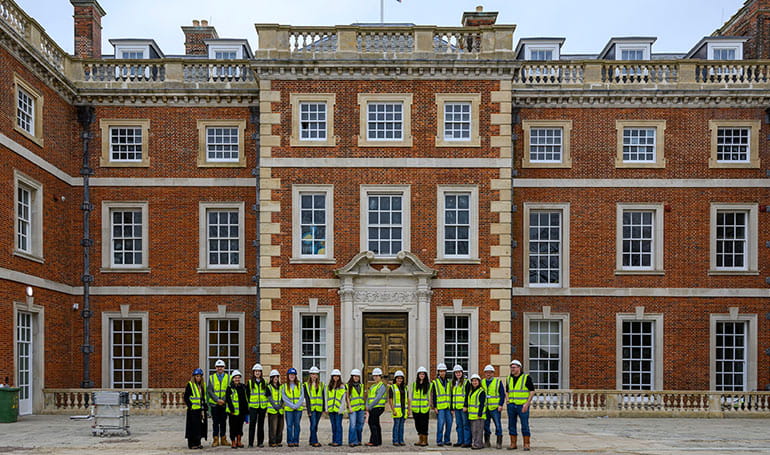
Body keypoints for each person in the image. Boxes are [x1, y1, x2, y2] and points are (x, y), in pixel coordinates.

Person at [506, 360, 535, 451]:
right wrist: (508, 400)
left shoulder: (526, 378)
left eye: (514, 367)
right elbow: (507, 391)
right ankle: (513, 443)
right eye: (511, 367)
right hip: (512, 405)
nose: (512, 369)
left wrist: (527, 404)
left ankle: (526, 444)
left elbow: (532, 391)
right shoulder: (509, 378)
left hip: (522, 406)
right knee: (511, 424)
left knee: (525, 425)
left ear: (519, 368)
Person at [207, 359, 231, 447]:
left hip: (224, 404)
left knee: (224, 422)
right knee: (215, 422)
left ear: (224, 368)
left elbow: (229, 390)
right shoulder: (211, 377)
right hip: (214, 404)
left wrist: (223, 400)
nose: (220, 368)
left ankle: (223, 439)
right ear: (215, 368)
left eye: (221, 367)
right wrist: (217, 400)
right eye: (218, 367)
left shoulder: (228, 377)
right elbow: (210, 390)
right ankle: (215, 439)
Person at [482, 364, 505, 449]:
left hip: (495, 407)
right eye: (486, 372)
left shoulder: (498, 382)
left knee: (498, 425)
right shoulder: (482, 382)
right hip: (485, 407)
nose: (488, 374)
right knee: (486, 425)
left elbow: (502, 394)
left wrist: (500, 405)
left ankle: (499, 442)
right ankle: (487, 441)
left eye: (490, 372)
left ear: (493, 373)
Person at [184, 368, 208, 449]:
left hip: (200, 410)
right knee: (192, 427)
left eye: (200, 376)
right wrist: (190, 406)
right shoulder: (190, 385)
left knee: (199, 427)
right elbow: (186, 397)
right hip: (192, 410)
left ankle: (198, 442)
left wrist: (205, 406)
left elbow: (203, 397)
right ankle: (192, 444)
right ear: (194, 377)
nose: (198, 378)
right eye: (197, 376)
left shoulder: (202, 385)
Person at [430, 363, 452, 446]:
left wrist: (452, 407)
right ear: (438, 372)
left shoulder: (449, 382)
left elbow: (451, 395)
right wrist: (435, 406)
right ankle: (439, 440)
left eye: (444, 371)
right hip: (440, 407)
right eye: (441, 371)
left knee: (449, 424)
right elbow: (434, 395)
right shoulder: (435, 382)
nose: (442, 373)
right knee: (441, 424)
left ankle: (447, 440)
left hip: (448, 407)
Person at [282, 367, 304, 447]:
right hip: (289, 409)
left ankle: (296, 440)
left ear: (295, 376)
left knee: (297, 425)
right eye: (290, 374)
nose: (292, 376)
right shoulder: (284, 386)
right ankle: (290, 441)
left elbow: (302, 396)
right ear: (288, 376)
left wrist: (297, 405)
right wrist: (292, 405)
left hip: (298, 409)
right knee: (289, 425)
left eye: (293, 374)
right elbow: (284, 397)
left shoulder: (300, 385)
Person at [246, 363, 268, 448]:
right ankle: (251, 443)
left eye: (259, 371)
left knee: (261, 425)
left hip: (262, 407)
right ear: (253, 372)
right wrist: (249, 405)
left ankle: (260, 442)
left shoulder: (264, 382)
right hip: (253, 407)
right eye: (256, 371)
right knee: (252, 425)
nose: (257, 373)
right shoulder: (250, 382)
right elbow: (247, 395)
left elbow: (266, 394)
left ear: (261, 372)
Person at [225, 370, 248, 448]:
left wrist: (246, 410)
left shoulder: (243, 387)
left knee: (240, 427)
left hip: (241, 411)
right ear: (232, 378)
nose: (237, 379)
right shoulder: (230, 388)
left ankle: (239, 441)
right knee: (233, 427)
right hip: (233, 412)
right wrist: (231, 409)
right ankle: (233, 442)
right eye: (235, 378)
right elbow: (228, 399)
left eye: (238, 378)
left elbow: (245, 398)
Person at [365, 368, 387, 447]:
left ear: (380, 377)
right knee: (376, 424)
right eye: (374, 376)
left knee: (372, 423)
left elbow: (378, 397)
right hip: (373, 408)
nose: (375, 377)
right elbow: (369, 397)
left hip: (378, 407)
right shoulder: (373, 386)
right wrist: (367, 405)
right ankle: (378, 441)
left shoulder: (382, 386)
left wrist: (370, 406)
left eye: (377, 376)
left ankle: (374, 441)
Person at [303, 366, 325, 447]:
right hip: (311, 409)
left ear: (318, 375)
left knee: (315, 425)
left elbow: (323, 397)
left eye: (315, 374)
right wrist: (308, 410)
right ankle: (315, 441)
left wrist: (323, 409)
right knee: (313, 424)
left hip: (319, 408)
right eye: (312, 374)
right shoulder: (306, 385)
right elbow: (307, 399)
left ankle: (311, 440)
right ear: (310, 375)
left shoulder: (321, 385)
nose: (314, 376)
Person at [451, 364, 471, 448]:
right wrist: (452, 407)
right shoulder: (454, 383)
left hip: (463, 408)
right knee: (459, 425)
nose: (458, 374)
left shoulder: (466, 382)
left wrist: (466, 405)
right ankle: (460, 441)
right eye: (456, 372)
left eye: (459, 372)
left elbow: (467, 395)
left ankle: (467, 441)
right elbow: (453, 396)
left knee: (465, 424)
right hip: (456, 407)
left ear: (462, 373)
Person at [411, 366, 431, 446]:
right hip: (416, 409)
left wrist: (429, 405)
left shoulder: (429, 385)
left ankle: (425, 440)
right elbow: (412, 396)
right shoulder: (414, 384)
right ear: (418, 375)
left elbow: (430, 396)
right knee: (417, 425)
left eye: (423, 374)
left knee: (424, 425)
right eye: (420, 374)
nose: (422, 375)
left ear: (425, 375)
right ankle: (420, 439)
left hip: (424, 409)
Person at [326, 369, 346, 446]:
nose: (336, 377)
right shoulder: (329, 387)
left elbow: (343, 398)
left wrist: (341, 409)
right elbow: (327, 398)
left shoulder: (342, 386)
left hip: (338, 410)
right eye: (334, 376)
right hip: (331, 409)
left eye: (337, 376)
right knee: (333, 426)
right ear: (332, 377)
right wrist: (327, 408)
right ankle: (334, 440)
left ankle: (338, 441)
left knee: (338, 426)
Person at [388, 370, 408, 446]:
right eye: (398, 378)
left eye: (401, 378)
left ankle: (401, 440)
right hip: (396, 409)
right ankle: (395, 440)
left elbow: (407, 399)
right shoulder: (392, 387)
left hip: (404, 409)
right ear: (395, 379)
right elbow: (390, 399)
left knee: (402, 426)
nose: (399, 380)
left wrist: (408, 410)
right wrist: (393, 410)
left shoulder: (405, 388)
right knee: (396, 425)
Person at [346, 369, 365, 447]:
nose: (356, 378)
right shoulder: (348, 386)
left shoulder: (361, 386)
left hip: (361, 408)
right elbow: (347, 398)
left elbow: (363, 397)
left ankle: (359, 440)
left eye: (358, 376)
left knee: (360, 425)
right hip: (353, 409)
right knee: (353, 425)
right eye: (355, 376)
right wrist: (349, 407)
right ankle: (352, 441)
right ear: (352, 377)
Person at [265, 369, 284, 447]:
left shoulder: (281, 387)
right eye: (274, 377)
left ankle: (278, 441)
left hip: (280, 409)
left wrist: (280, 405)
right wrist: (275, 406)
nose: (276, 378)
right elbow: (269, 398)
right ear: (271, 378)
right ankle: (272, 441)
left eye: (277, 376)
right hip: (272, 410)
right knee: (273, 427)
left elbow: (283, 397)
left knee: (280, 427)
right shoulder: (268, 387)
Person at [467, 374, 487, 450]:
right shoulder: (471, 391)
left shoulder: (481, 391)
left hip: (479, 415)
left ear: (479, 382)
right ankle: (477, 443)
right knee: (474, 431)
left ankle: (477, 444)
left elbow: (482, 403)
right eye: (473, 381)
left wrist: (479, 413)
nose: (474, 382)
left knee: (478, 431)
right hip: (472, 415)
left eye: (476, 381)